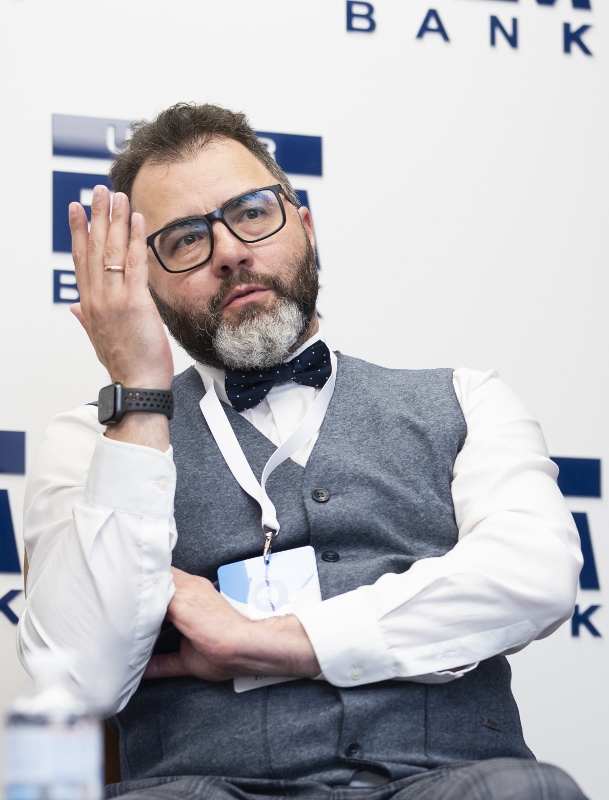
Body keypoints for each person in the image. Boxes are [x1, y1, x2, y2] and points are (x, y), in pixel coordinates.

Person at [19, 103, 587, 800]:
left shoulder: (468, 399)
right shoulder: (90, 441)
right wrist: (138, 394)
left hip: (451, 782)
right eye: (186, 239)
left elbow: (533, 578)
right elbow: (80, 681)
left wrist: (269, 640)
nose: (230, 251)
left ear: (307, 228)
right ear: (146, 284)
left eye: (252, 212)